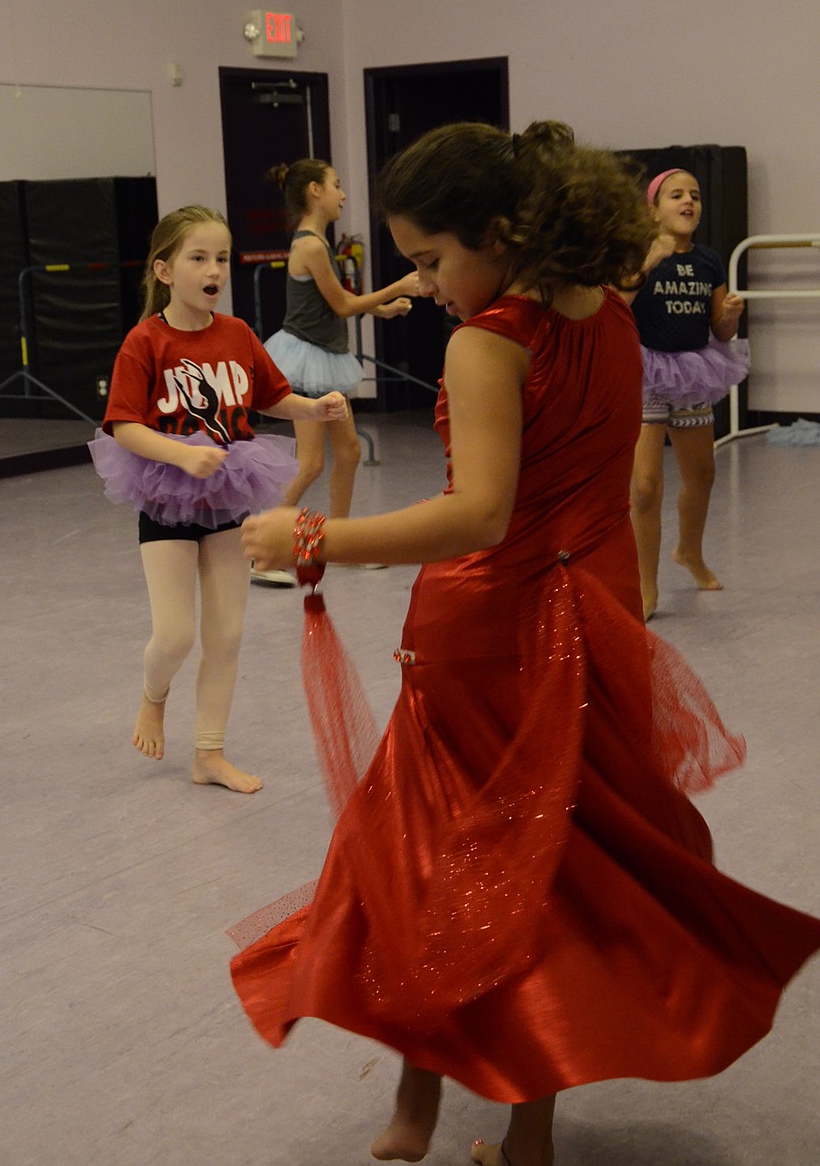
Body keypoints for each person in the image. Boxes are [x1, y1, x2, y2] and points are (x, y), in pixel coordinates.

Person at [229, 125, 820, 1165]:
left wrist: (310, 532)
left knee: (431, 861)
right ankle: (511, 1125)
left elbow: (478, 516)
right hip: (591, 618)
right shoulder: (609, 313)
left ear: (498, 233)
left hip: (491, 634)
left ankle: (433, 1110)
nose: (424, 283)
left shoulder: (490, 338)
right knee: (534, 865)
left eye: (430, 258)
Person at [89, 205, 347, 793]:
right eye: (198, 258)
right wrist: (181, 454)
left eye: (222, 258)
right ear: (164, 271)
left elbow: (271, 395)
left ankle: (208, 753)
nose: (214, 270)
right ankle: (154, 697)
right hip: (166, 498)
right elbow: (123, 426)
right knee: (176, 634)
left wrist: (313, 408)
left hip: (228, 494)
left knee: (227, 633)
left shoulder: (236, 334)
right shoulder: (145, 340)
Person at [252, 158, 419, 585]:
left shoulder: (318, 244)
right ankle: (262, 553)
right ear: (314, 191)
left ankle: (337, 547)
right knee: (309, 463)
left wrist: (381, 308)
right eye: (337, 186)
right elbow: (344, 305)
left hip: (321, 356)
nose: (343, 194)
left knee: (348, 452)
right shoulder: (308, 245)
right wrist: (398, 286)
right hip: (305, 364)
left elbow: (334, 302)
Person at [627, 169, 749, 620]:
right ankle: (644, 582)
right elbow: (616, 300)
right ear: (653, 208)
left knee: (702, 474)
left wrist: (731, 316)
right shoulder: (638, 253)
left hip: (694, 372)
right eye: (676, 195)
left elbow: (719, 328)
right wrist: (648, 262)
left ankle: (689, 552)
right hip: (644, 371)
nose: (688, 202)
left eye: (695, 195)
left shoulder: (709, 261)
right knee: (644, 487)